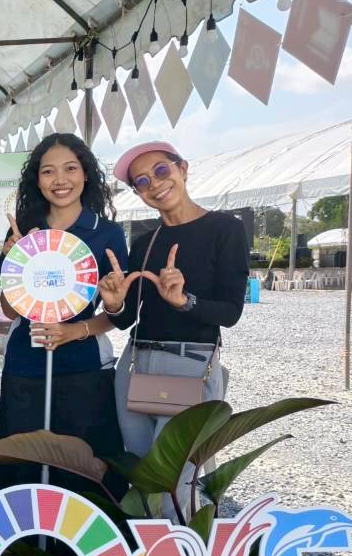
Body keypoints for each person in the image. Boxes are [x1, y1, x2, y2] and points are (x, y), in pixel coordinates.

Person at [100, 141, 248, 521]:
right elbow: (126, 318)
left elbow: (230, 312)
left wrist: (184, 301)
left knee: (178, 481)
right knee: (141, 473)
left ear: (183, 168)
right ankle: (147, 552)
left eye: (161, 171)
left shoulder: (225, 229)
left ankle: (187, 552)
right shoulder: (145, 243)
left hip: (190, 363)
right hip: (136, 362)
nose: (155, 184)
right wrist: (114, 303)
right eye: (142, 181)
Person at [0, 133, 128, 497]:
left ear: (85, 174)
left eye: (70, 169)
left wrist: (75, 330)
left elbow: (119, 315)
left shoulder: (107, 234)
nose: (60, 180)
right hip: (26, 366)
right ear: (37, 179)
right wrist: (13, 260)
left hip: (84, 368)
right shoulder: (24, 230)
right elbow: (10, 309)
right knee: (22, 470)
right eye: (48, 171)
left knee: (83, 473)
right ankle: (24, 535)